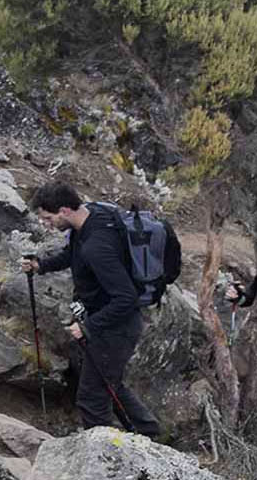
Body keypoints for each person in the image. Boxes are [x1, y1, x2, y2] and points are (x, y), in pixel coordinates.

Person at [20, 182, 162, 436]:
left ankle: (104, 461)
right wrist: (41, 265)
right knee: (110, 384)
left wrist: (88, 326)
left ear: (64, 210)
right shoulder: (89, 220)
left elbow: (126, 298)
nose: (46, 223)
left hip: (115, 329)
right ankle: (150, 433)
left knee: (91, 398)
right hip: (107, 323)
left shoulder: (97, 246)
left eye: (48, 218)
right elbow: (73, 255)